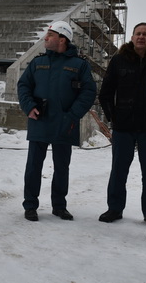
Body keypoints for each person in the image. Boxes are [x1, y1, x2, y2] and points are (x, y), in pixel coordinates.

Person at [18, 21, 96, 221]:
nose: (46, 38)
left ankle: (59, 206)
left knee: (62, 167)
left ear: (62, 39)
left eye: (50, 35)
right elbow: (24, 85)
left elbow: (88, 92)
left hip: (65, 123)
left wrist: (72, 115)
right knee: (33, 166)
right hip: (40, 120)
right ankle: (30, 205)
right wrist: (29, 106)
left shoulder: (79, 65)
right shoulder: (38, 62)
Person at [97, 22, 146, 228]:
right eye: (138, 33)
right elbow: (106, 93)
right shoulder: (119, 60)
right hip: (123, 126)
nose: (141, 37)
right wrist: (113, 117)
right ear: (132, 37)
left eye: (145, 34)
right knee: (118, 170)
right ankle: (114, 208)